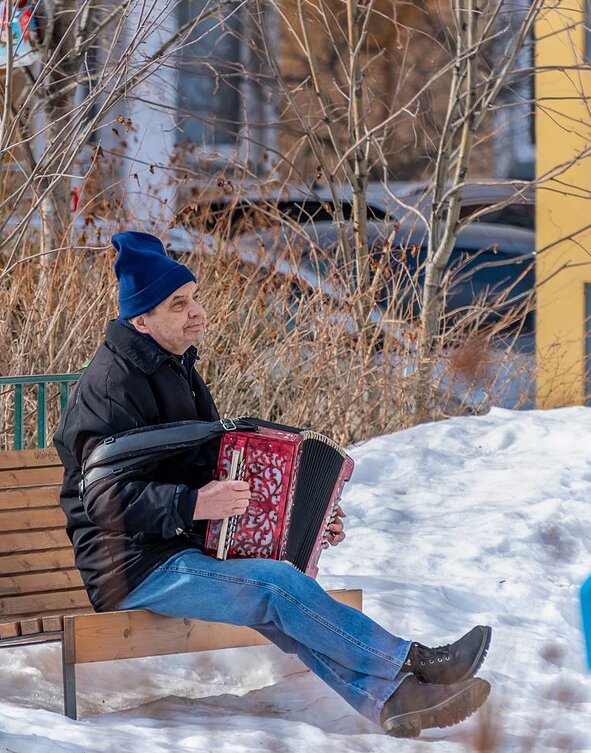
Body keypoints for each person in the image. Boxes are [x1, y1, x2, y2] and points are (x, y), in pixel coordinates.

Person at [54, 231, 492, 738]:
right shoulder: (112, 387)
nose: (197, 311)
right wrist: (193, 503)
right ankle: (413, 662)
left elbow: (212, 465)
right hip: (129, 567)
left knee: (281, 593)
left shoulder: (176, 367)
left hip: (173, 549)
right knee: (275, 589)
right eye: (179, 304)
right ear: (141, 320)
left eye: (195, 297)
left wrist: (301, 518)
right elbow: (105, 499)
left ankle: (394, 700)